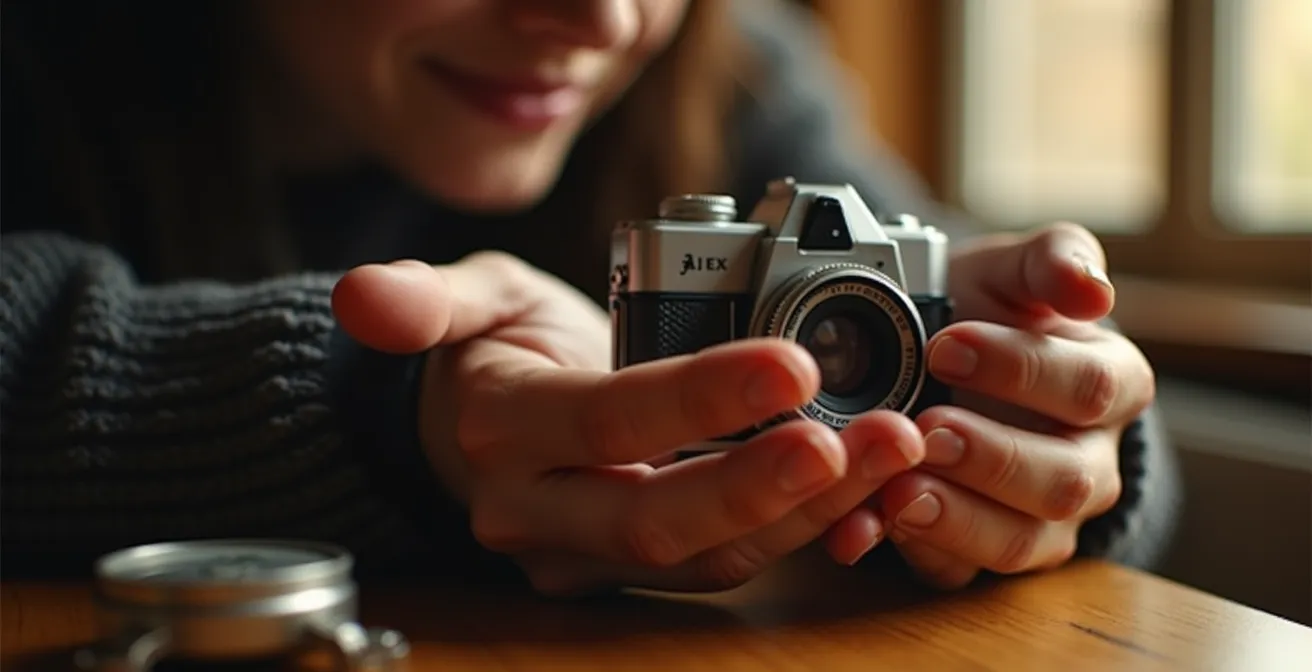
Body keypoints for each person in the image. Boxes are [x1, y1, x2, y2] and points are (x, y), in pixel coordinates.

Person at [0, 0, 1180, 594]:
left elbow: (1027, 354)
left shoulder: (732, 62)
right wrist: (381, 410)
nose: (606, 19)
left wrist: (1041, 426)